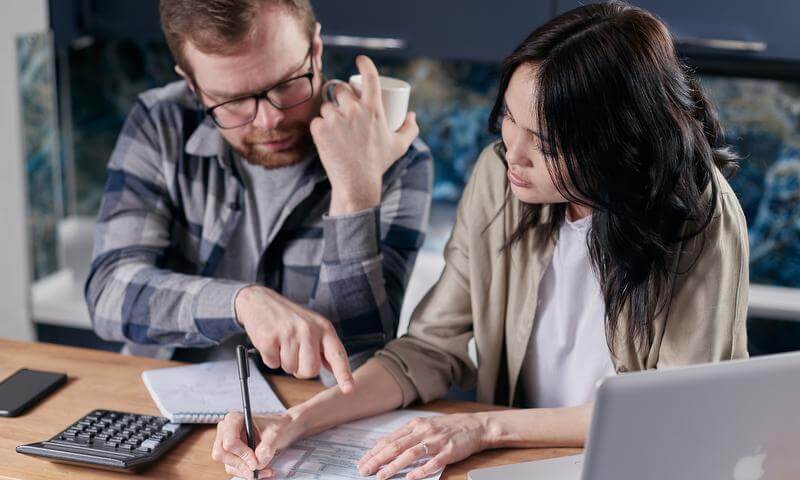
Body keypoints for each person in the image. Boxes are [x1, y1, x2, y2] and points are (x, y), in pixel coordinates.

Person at [212, 2, 750, 479]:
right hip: (515, 467)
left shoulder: (700, 216)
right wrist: (296, 421)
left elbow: (673, 410)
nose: (511, 154)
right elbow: (426, 349)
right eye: (509, 122)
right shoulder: (499, 178)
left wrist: (485, 428)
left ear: (616, 142)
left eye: (544, 142)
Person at [85, 0, 432, 392]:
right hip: (163, 402)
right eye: (231, 101)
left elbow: (356, 369)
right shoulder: (161, 122)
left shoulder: (396, 157)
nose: (271, 120)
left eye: (286, 84)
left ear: (315, 50)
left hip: (309, 419)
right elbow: (108, 294)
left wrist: (355, 194)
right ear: (192, 85)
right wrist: (242, 303)